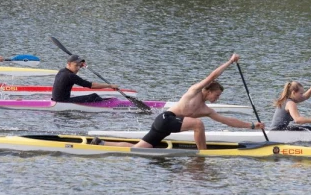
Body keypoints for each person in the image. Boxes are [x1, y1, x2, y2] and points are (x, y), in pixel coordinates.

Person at [94, 54, 264, 150]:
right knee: (198, 124)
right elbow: (212, 76)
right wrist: (230, 61)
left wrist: (251, 125)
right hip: (165, 119)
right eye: (216, 95)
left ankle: (102, 143)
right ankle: (203, 154)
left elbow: (228, 121)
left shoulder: (206, 109)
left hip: (165, 125)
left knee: (138, 149)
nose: (217, 99)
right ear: (208, 90)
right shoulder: (195, 90)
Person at [51, 55, 118, 103]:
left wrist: (79, 64)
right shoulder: (70, 76)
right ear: (69, 64)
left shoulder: (62, 71)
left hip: (55, 99)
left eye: (79, 66)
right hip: (63, 102)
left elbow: (71, 72)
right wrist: (110, 86)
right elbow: (91, 85)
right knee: (94, 96)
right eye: (76, 66)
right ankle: (107, 104)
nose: (78, 68)